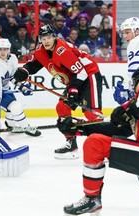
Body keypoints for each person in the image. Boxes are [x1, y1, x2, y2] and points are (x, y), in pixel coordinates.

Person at [63, 64, 139, 215]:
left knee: (95, 144)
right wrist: (79, 127)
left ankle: (92, 198)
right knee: (96, 142)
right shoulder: (138, 109)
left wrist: (126, 109)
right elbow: (117, 129)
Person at [13, 24, 103, 159]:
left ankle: (106, 147)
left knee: (92, 114)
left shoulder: (62, 50)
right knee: (62, 107)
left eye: (48, 38)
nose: (46, 41)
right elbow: (33, 64)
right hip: (75, 79)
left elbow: (80, 72)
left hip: (89, 75)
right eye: (43, 39)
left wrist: (73, 91)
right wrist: (24, 71)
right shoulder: (40, 49)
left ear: (54, 37)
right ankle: (71, 144)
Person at [0, 38, 41, 137]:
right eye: (0, 49)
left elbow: (13, 77)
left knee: (11, 111)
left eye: (5, 49)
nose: (2, 52)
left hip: (5, 90)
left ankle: (10, 125)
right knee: (15, 107)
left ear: (9, 49)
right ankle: (27, 127)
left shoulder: (13, 59)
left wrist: (22, 87)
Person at [114, 17, 139, 104]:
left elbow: (137, 71)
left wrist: (128, 88)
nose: (125, 36)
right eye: (123, 33)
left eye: (127, 32)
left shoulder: (137, 41)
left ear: (137, 31)